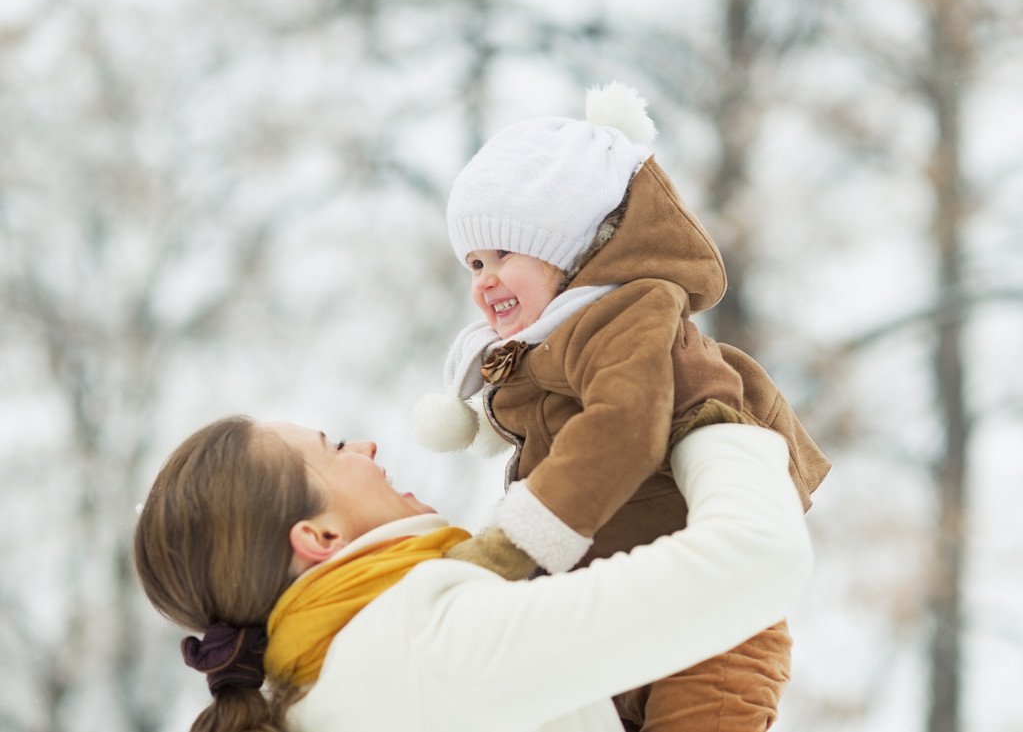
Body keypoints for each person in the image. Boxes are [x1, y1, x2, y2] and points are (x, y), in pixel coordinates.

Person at [412, 82, 831, 731]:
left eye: (504, 253)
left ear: (575, 247)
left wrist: (512, 544)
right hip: (618, 624)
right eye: (473, 261)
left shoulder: (629, 312)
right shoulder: (548, 342)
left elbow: (622, 426)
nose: (484, 278)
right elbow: (534, 416)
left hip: (711, 633)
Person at [134, 415, 812, 732]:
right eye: (333, 447)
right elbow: (755, 556)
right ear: (317, 537)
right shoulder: (420, 649)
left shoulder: (315, 696)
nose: (366, 445)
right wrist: (711, 417)